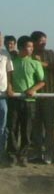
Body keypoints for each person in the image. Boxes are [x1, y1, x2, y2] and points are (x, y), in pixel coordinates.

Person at [7, 36, 45, 167]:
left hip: (29, 101)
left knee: (26, 129)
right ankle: (12, 154)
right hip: (14, 99)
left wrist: (33, 89)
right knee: (12, 127)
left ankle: (23, 155)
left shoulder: (35, 63)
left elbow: (42, 81)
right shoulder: (12, 62)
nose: (31, 49)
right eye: (29, 47)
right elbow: (9, 78)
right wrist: (10, 88)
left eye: (32, 47)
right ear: (22, 47)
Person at [30, 31, 54, 164]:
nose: (44, 43)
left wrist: (40, 63)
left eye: (45, 40)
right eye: (41, 41)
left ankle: (50, 153)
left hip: (48, 94)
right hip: (33, 95)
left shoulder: (49, 53)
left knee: (49, 126)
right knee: (36, 126)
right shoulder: (29, 54)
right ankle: (37, 152)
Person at [0, 33, 12, 166]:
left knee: (2, 126)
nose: (0, 41)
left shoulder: (5, 54)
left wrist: (9, 86)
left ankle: (1, 153)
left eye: (1, 39)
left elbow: (9, 72)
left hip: (2, 94)